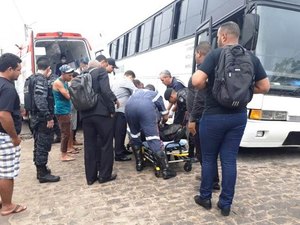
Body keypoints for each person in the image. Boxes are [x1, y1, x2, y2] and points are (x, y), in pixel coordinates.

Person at [192, 21, 270, 216]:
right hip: (238, 117)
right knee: (229, 160)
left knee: (209, 158)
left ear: (224, 36)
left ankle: (205, 197)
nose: (218, 39)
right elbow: (265, 86)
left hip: (213, 116)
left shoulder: (215, 55)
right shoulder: (251, 58)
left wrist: (209, 87)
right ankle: (225, 204)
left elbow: (196, 81)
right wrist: (244, 91)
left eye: (218, 36)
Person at [187, 41, 220, 190]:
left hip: (201, 118)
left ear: (199, 54)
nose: (195, 57)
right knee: (208, 153)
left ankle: (211, 182)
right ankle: (210, 177)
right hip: (207, 116)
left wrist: (192, 119)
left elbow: (199, 98)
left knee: (203, 153)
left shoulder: (203, 72)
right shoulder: (215, 68)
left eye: (195, 54)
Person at [81, 60, 119, 185]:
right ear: (99, 66)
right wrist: (112, 108)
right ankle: (104, 175)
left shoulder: (83, 75)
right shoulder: (101, 72)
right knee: (106, 144)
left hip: (86, 114)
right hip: (101, 113)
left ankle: (90, 177)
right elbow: (105, 91)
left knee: (90, 145)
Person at [125, 88, 176, 179]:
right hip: (145, 109)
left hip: (129, 107)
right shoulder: (156, 95)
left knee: (134, 135)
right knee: (153, 138)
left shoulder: (136, 91)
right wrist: (162, 122)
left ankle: (139, 164)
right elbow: (165, 115)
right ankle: (166, 170)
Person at [0, 53, 27, 216]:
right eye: (18, 70)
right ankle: (8, 205)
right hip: (5, 136)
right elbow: (3, 115)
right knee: (6, 173)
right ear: (9, 69)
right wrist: (15, 137)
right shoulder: (8, 87)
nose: (19, 73)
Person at [30, 56, 61, 183]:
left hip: (35, 118)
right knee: (43, 144)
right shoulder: (41, 80)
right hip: (42, 118)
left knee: (38, 144)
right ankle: (42, 173)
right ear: (48, 69)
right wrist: (48, 117)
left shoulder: (31, 79)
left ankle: (41, 169)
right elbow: (40, 99)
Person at [52, 64, 76, 161]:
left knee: (68, 132)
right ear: (63, 74)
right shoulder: (58, 83)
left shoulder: (64, 82)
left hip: (66, 109)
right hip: (61, 110)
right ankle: (63, 155)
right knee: (65, 133)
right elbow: (68, 96)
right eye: (69, 75)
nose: (71, 77)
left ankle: (66, 152)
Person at [112, 70, 137, 161]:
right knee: (120, 132)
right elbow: (136, 92)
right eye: (132, 79)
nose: (132, 81)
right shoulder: (126, 81)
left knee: (119, 132)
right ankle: (119, 154)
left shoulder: (116, 80)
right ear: (130, 76)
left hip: (116, 109)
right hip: (121, 110)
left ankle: (121, 149)